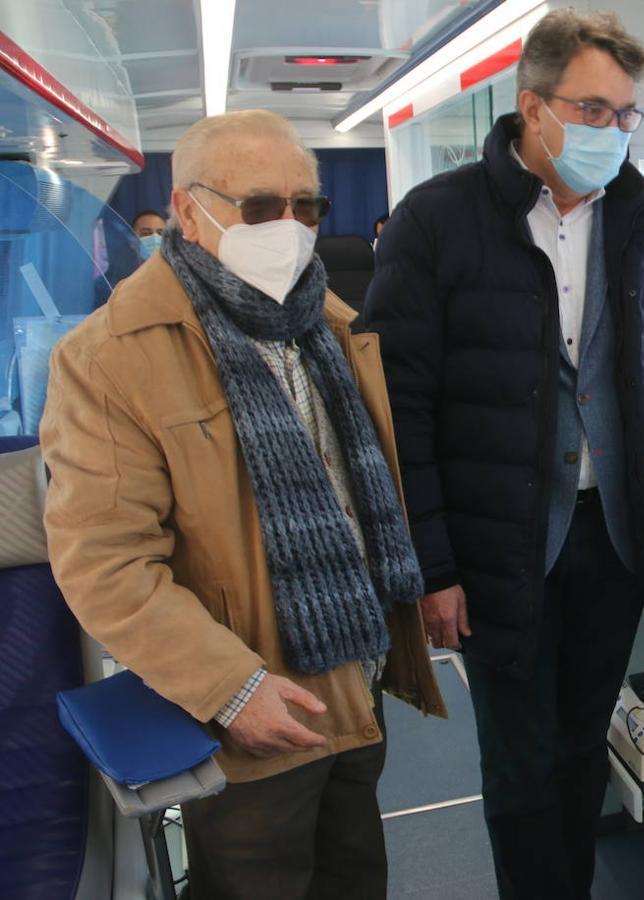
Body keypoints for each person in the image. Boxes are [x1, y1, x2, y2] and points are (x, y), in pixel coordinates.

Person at [42, 109, 447, 898]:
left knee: (356, 879)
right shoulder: (108, 357)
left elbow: (361, 489)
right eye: (261, 206)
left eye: (307, 206)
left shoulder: (331, 325)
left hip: (356, 677)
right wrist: (232, 686)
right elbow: (106, 565)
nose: (289, 227)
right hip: (246, 706)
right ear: (189, 210)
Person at [363, 9, 644, 897]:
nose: (614, 132)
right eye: (593, 111)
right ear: (532, 106)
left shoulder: (640, 218)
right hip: (496, 546)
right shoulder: (435, 221)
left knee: (578, 744)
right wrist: (430, 566)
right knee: (519, 764)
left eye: (626, 115)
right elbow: (398, 412)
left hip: (612, 534)